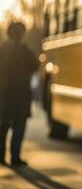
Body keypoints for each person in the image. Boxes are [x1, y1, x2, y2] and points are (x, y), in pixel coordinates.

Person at [0, 22, 38, 166]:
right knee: (19, 126)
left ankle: (1, 155)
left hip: (3, 93)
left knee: (3, 125)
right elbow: (34, 66)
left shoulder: (2, 49)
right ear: (21, 34)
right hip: (21, 94)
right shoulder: (25, 50)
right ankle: (15, 157)